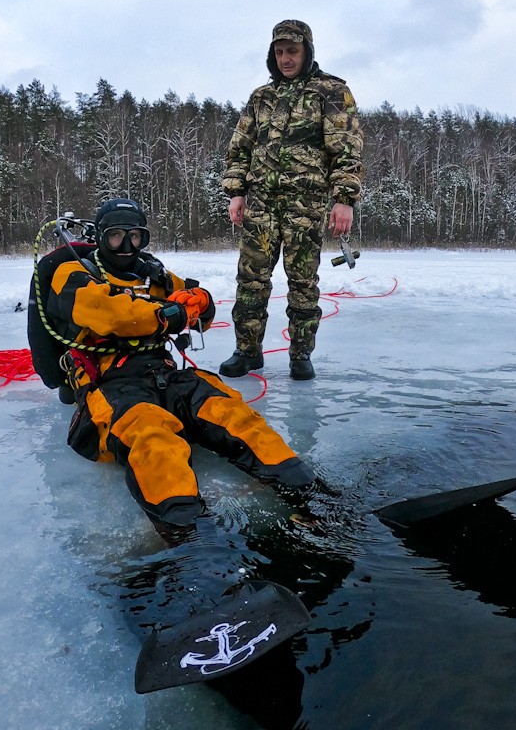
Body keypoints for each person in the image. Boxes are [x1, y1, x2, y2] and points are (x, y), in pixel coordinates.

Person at [43, 198, 315, 541]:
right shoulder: (74, 272)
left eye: (136, 237)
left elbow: (194, 302)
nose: (127, 247)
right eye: (116, 237)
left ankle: (307, 490)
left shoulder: (153, 274)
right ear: (100, 237)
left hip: (165, 372)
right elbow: (104, 312)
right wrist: (163, 315)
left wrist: (201, 301)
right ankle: (189, 535)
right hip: (111, 381)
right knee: (152, 437)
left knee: (231, 412)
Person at [220, 19, 364, 381]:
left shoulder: (330, 91)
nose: (286, 59)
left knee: (302, 282)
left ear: (307, 51)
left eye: (292, 52)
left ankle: (301, 355)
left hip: (305, 205)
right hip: (261, 206)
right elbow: (239, 149)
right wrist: (236, 193)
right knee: (250, 280)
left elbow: (346, 148)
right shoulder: (260, 98)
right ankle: (247, 351)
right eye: (280, 52)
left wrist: (343, 199)